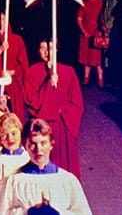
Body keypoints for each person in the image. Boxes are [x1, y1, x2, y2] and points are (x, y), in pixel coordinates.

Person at [0, 119, 94, 215]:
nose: (38, 149)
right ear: (25, 146)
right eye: (32, 144)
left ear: (51, 144)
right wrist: (28, 214)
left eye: (43, 143)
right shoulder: (13, 181)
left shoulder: (67, 180)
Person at [24, 40, 84, 177]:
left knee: (65, 168)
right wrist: (48, 84)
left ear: (56, 49)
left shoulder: (68, 71)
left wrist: (62, 110)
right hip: (42, 127)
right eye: (43, 48)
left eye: (50, 48)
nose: (47, 52)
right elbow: (31, 101)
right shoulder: (32, 72)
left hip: (63, 125)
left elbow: (77, 103)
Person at [77, 0, 105, 88]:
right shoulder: (84, 2)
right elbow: (79, 18)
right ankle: (86, 77)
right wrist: (83, 30)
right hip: (86, 31)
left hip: (97, 32)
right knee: (86, 56)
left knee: (98, 58)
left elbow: (103, 18)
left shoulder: (101, 3)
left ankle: (100, 78)